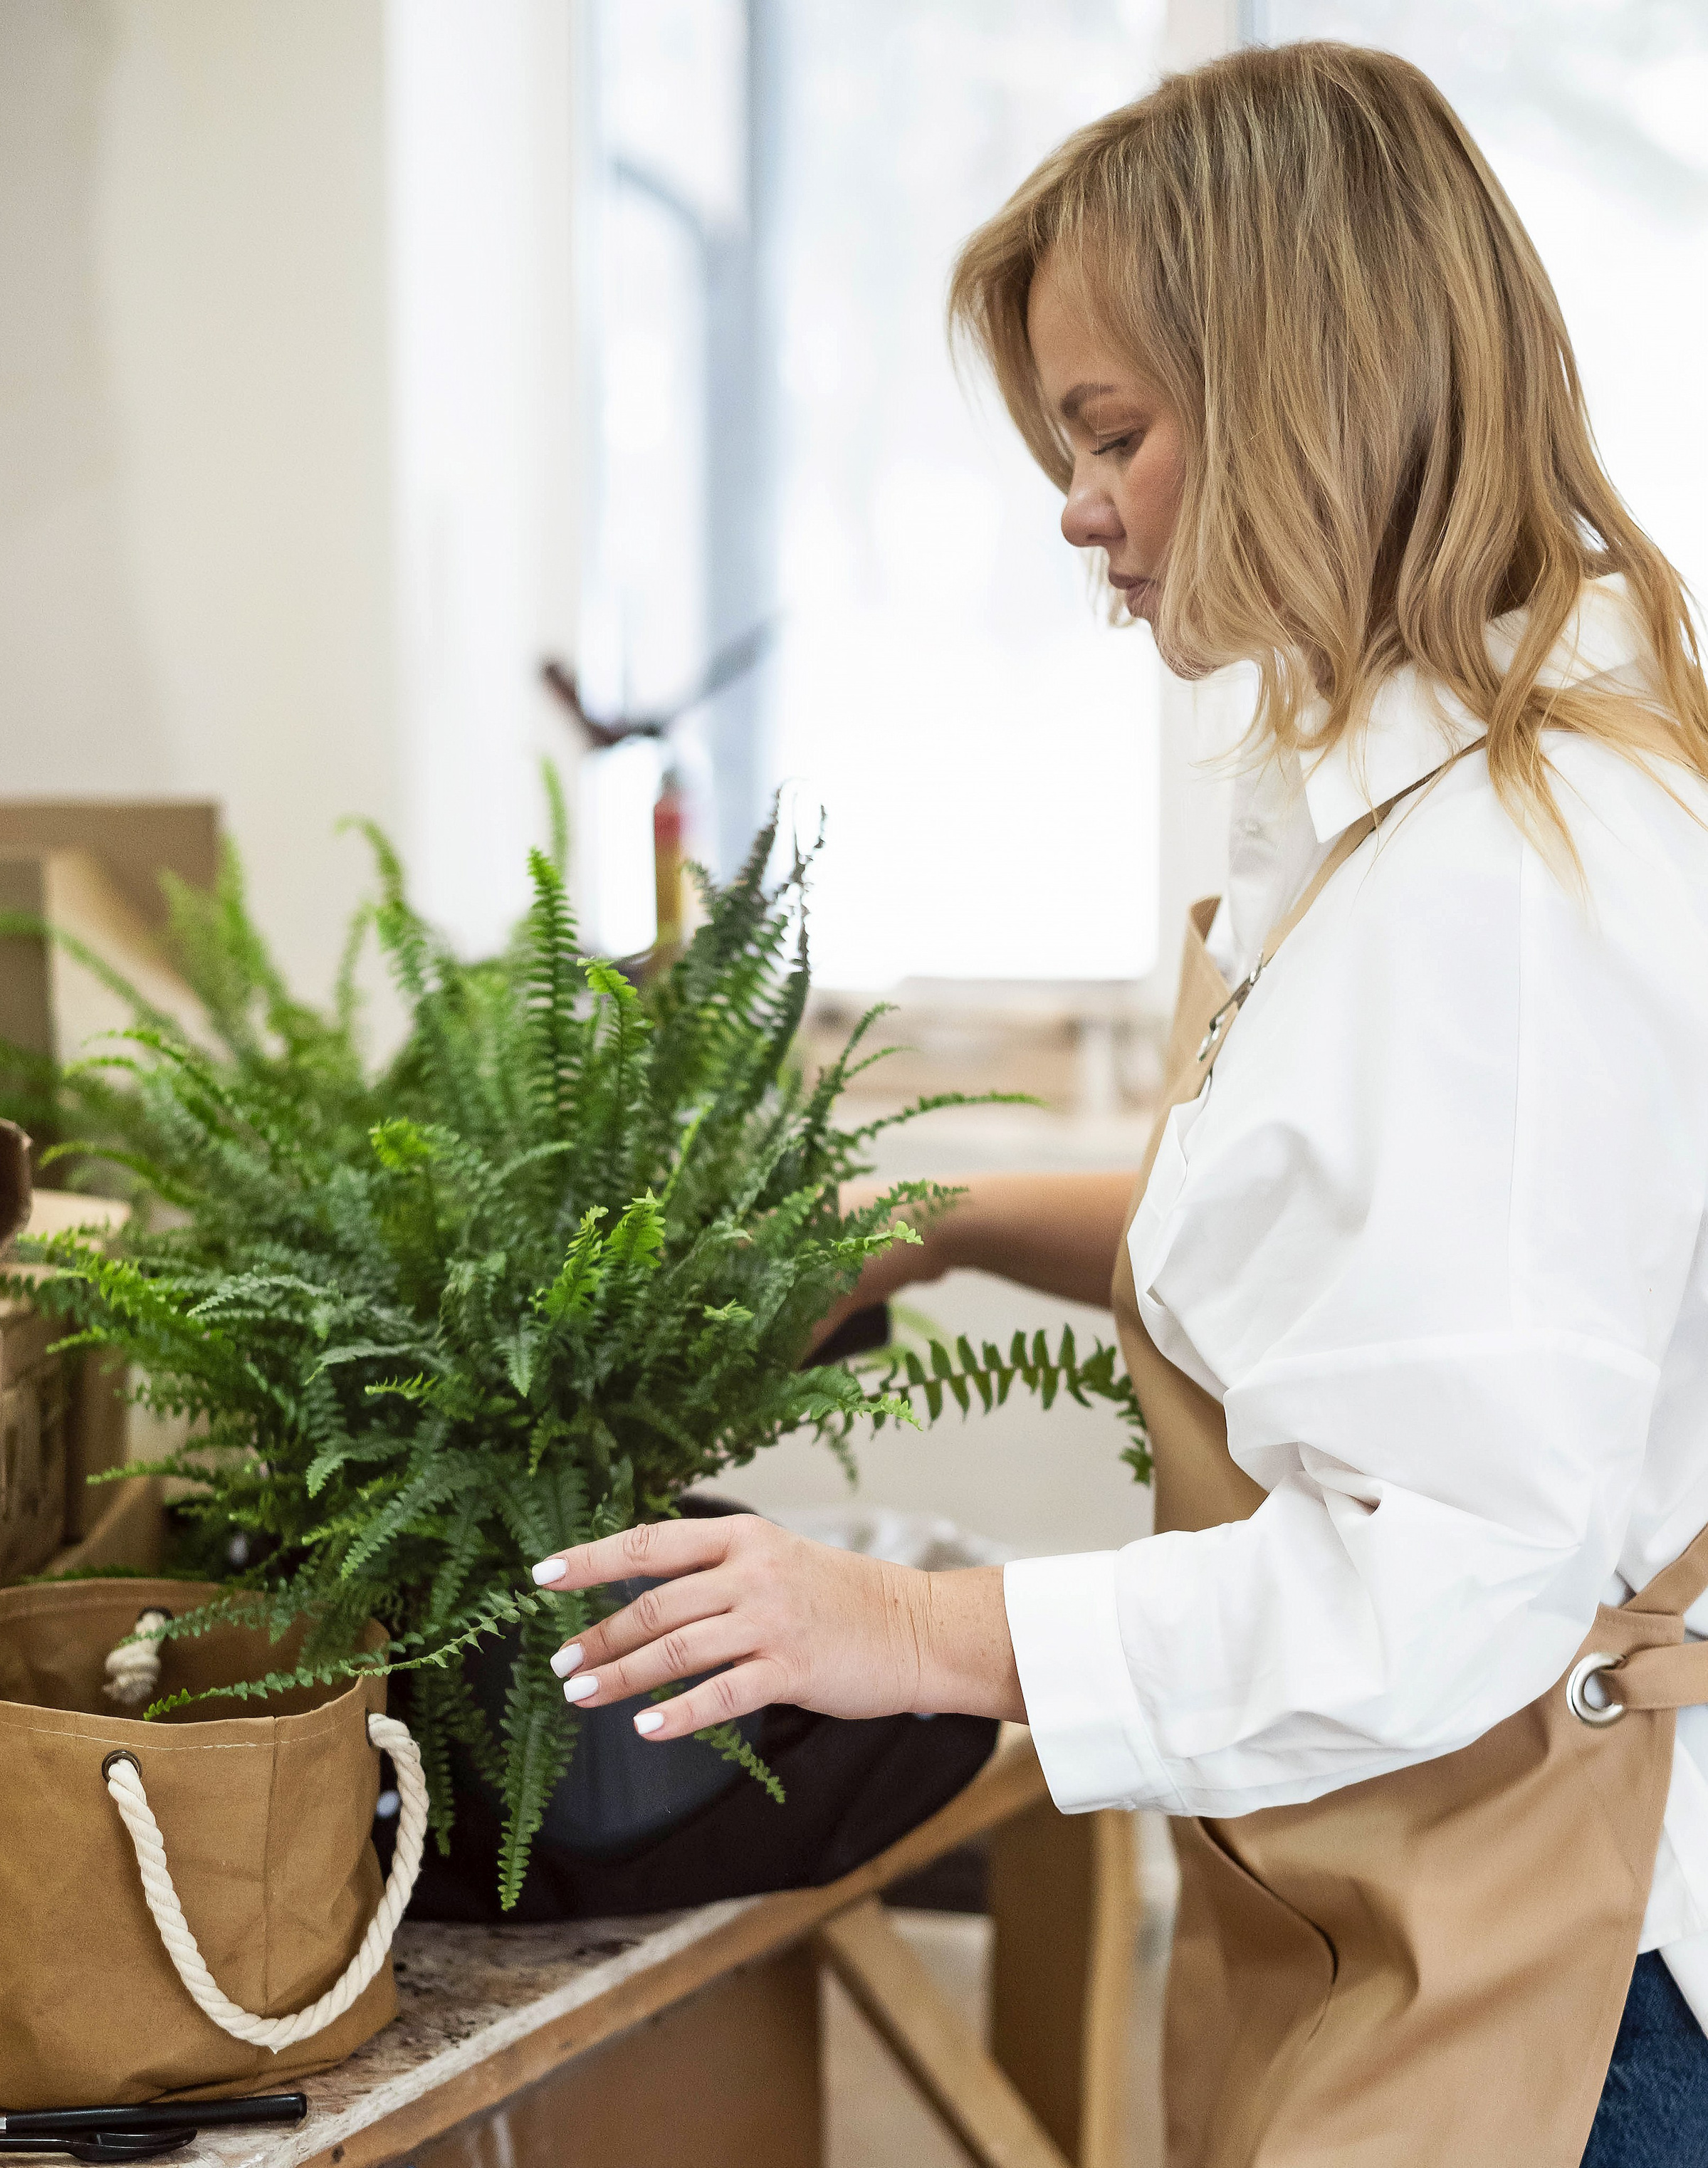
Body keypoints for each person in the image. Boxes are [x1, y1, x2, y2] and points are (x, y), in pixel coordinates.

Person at [528, 42, 1708, 2167]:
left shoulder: (1515, 882)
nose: (1078, 508)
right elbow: (1337, 1240)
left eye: (1115, 433)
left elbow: (1452, 1574)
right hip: (1389, 1880)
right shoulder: (1401, 799)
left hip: (1571, 1990)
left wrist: (903, 1623)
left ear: (1313, 390)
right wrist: (949, 1217)